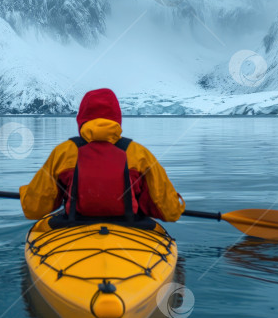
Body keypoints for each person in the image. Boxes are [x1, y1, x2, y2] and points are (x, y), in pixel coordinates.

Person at [19, 88, 185, 222]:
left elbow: (34, 209)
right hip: (130, 236)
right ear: (117, 119)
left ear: (82, 119)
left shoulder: (63, 153)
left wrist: (26, 192)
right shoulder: (139, 154)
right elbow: (170, 212)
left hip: (73, 234)